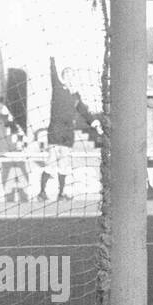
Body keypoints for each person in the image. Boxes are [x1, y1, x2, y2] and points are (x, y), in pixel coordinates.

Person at [39, 59, 101, 202]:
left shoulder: (76, 96)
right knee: (51, 161)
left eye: (72, 75)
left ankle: (61, 194)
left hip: (68, 133)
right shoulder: (58, 88)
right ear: (63, 76)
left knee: (64, 163)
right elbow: (52, 73)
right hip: (55, 130)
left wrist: (94, 123)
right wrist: (52, 57)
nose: (69, 77)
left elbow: (84, 111)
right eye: (67, 74)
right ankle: (42, 192)